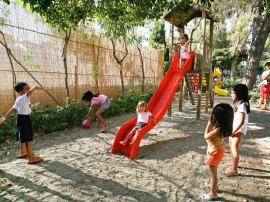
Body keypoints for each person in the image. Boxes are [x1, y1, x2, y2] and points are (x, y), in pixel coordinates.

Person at [0, 82, 44, 164]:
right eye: (27, 89)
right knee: (28, 139)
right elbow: (30, 93)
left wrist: (3, 118)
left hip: (20, 119)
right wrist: (35, 87)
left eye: (29, 88)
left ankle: (23, 152)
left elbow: (13, 109)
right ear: (20, 92)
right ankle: (31, 158)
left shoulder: (19, 98)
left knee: (23, 136)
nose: (29, 90)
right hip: (25, 119)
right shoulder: (24, 97)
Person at [203, 103, 233, 201]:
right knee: (213, 173)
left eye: (214, 114)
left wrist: (208, 124)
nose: (212, 115)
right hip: (216, 151)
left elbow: (206, 136)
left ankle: (213, 193)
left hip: (215, 153)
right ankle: (213, 186)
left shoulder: (217, 130)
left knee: (213, 174)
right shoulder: (223, 126)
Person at [223, 84, 250, 177]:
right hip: (234, 128)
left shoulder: (242, 105)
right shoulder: (238, 103)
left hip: (239, 129)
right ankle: (233, 162)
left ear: (239, 94)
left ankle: (234, 170)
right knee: (231, 145)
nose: (232, 94)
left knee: (234, 148)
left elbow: (242, 121)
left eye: (233, 93)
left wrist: (234, 131)